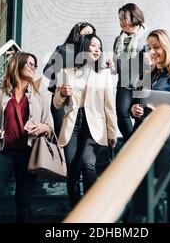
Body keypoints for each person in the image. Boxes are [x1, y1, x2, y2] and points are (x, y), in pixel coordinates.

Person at [129, 29, 170, 221]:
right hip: (141, 134)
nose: (152, 51)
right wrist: (135, 110)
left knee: (157, 189)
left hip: (162, 138)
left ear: (166, 47)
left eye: (156, 47)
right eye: (149, 47)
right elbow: (138, 103)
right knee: (139, 188)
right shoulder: (150, 74)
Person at [0, 52, 54, 223]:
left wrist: (41, 128)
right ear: (17, 64)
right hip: (1, 152)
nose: (33, 67)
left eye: (35, 65)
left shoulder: (41, 96)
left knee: (23, 200)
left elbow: (50, 127)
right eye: (29, 63)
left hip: (29, 153)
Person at [53, 34, 117, 208]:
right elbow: (57, 104)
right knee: (72, 172)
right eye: (93, 45)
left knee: (87, 163)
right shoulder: (67, 72)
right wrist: (62, 94)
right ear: (84, 46)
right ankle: (76, 209)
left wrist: (112, 132)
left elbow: (109, 105)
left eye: (99, 47)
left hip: (94, 126)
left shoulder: (103, 73)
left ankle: (92, 208)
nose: (97, 50)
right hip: (72, 125)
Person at [111, 3, 149, 143]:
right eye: (119, 19)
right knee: (122, 113)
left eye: (124, 18)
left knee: (141, 116)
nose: (121, 22)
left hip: (142, 83)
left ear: (135, 17)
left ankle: (141, 146)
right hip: (124, 82)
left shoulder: (146, 37)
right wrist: (111, 66)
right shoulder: (118, 40)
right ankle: (131, 144)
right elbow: (116, 65)